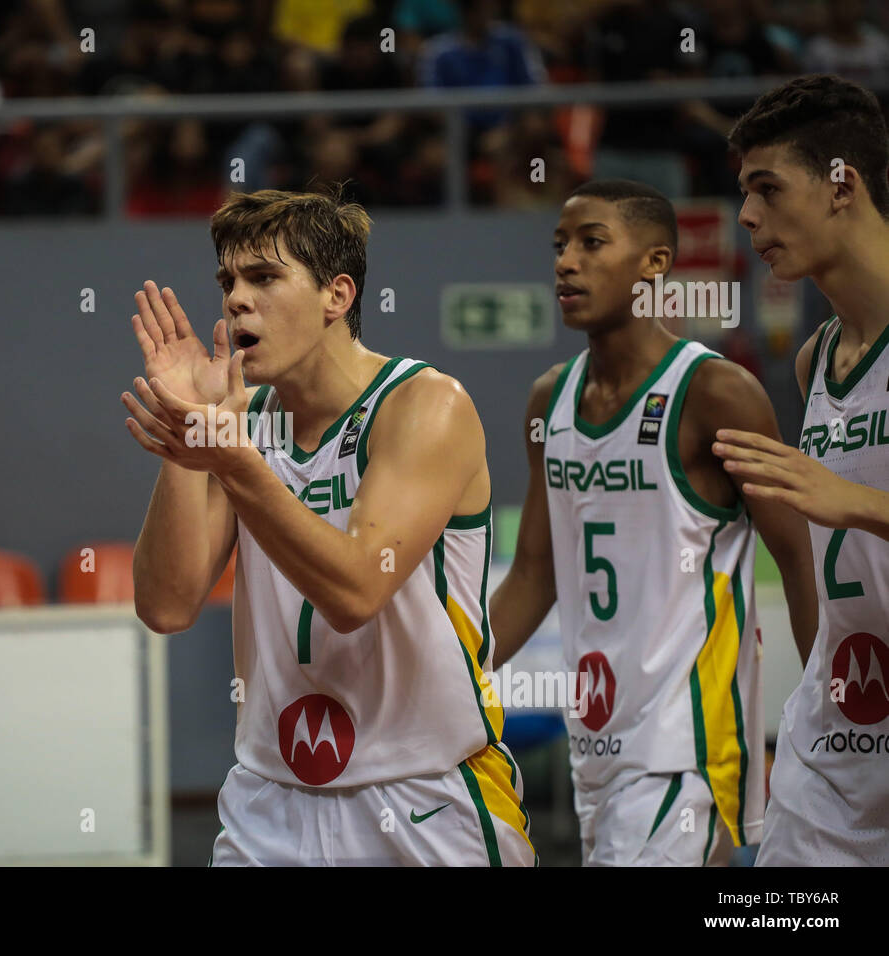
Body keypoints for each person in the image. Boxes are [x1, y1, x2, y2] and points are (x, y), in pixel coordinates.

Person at [122, 187, 534, 865]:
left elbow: (353, 593)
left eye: (263, 277)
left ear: (336, 296)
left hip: (423, 794)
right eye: (228, 281)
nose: (234, 300)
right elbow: (166, 605)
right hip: (270, 800)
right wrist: (185, 429)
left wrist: (233, 461)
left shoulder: (424, 405)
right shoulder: (245, 423)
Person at [489, 179, 818, 866]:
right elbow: (535, 572)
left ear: (656, 263)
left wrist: (829, 717)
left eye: (591, 242)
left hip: (685, 743)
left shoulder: (717, 391)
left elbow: (798, 555)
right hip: (595, 740)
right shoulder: (548, 399)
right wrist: (451, 667)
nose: (565, 262)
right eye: (559, 245)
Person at [714, 74, 889, 866]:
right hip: (836, 741)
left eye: (767, 188)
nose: (748, 216)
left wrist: (857, 501)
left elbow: (846, 510)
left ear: (841, 184)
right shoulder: (816, 358)